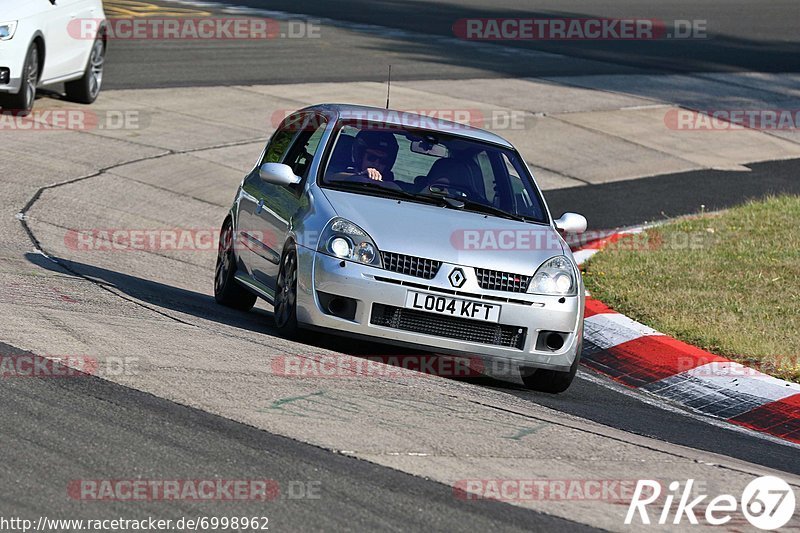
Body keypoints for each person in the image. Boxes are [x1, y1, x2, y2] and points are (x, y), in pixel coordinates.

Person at [328, 129, 398, 182]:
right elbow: (329, 177)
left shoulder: (390, 184)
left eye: (383, 161)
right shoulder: (339, 174)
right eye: (371, 158)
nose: (376, 164)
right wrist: (359, 176)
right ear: (360, 157)